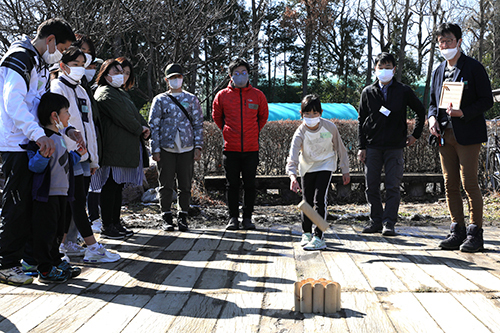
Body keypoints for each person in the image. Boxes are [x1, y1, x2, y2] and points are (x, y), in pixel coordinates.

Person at [0, 18, 78, 286]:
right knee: (16, 205)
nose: (61, 55)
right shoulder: (21, 58)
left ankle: (34, 259)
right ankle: (6, 262)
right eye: (62, 48)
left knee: (35, 207)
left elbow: (42, 109)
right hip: (16, 144)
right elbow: (13, 103)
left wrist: (62, 132)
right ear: (51, 40)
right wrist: (38, 135)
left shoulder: (41, 64)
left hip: (34, 142)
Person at [50, 46, 120, 263]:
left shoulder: (81, 90)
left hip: (84, 155)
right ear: (63, 66)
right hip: (68, 154)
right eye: (75, 64)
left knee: (75, 200)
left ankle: (68, 242)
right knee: (77, 201)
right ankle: (91, 246)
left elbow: (89, 126)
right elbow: (57, 124)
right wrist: (71, 148)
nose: (80, 69)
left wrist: (93, 157)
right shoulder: (56, 88)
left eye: (82, 64)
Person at [428, 23, 493, 252]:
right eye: (441, 42)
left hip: (467, 134)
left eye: (448, 41)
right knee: (450, 184)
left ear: (459, 42)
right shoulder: (437, 71)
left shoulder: (473, 68)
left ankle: (476, 233)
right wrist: (432, 119)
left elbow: (487, 100)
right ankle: (457, 229)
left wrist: (463, 112)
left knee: (469, 183)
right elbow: (432, 104)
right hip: (444, 134)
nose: (445, 46)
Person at [358, 52, 425, 236]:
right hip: (372, 146)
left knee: (392, 186)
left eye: (388, 67)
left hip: (395, 146)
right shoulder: (368, 92)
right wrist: (361, 146)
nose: (384, 71)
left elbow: (420, 110)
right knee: (371, 185)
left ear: (394, 69)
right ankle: (375, 221)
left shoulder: (403, 90)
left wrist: (415, 135)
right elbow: (361, 119)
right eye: (381, 67)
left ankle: (389, 222)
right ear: (375, 69)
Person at [24, 92, 84, 283]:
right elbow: (34, 165)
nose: (68, 116)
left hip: (62, 193)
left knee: (58, 231)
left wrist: (77, 155)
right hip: (46, 195)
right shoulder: (42, 139)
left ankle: (56, 261)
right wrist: (43, 155)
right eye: (66, 111)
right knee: (45, 232)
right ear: (54, 116)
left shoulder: (59, 137)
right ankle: (45, 269)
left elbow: (63, 161)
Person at [94, 58, 150, 239]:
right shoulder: (105, 93)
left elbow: (134, 114)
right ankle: (107, 226)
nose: (120, 75)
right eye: (115, 72)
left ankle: (115, 223)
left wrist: (144, 126)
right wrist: (139, 129)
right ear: (105, 75)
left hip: (121, 148)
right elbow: (124, 117)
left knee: (117, 187)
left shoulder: (120, 93)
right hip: (112, 148)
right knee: (110, 187)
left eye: (122, 72)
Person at [286, 95, 350, 250]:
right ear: (301, 114)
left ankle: (319, 236)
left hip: (326, 164)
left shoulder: (329, 127)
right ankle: (306, 233)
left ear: (320, 112)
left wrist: (345, 169)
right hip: (307, 166)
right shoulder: (300, 132)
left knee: (319, 199)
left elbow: (340, 148)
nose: (311, 117)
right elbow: (293, 156)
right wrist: (292, 176)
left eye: (314, 113)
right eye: (307, 114)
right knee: (306, 201)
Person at [212, 58, 269, 230]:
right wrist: (227, 130)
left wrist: (253, 131)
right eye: (236, 73)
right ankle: (233, 218)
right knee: (232, 184)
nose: (240, 76)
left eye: (244, 72)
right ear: (230, 76)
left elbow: (263, 117)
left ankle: (248, 218)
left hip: (251, 148)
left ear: (248, 74)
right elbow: (217, 117)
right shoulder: (222, 96)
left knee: (250, 184)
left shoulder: (258, 95)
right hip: (231, 148)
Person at [149, 63, 203, 231]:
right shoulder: (160, 99)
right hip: (166, 148)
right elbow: (154, 125)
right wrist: (155, 149)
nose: (176, 80)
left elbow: (198, 124)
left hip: (187, 147)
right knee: (165, 184)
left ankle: (183, 216)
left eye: (178, 77)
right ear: (166, 80)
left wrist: (198, 146)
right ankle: (166, 215)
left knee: (185, 184)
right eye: (172, 78)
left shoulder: (192, 99)